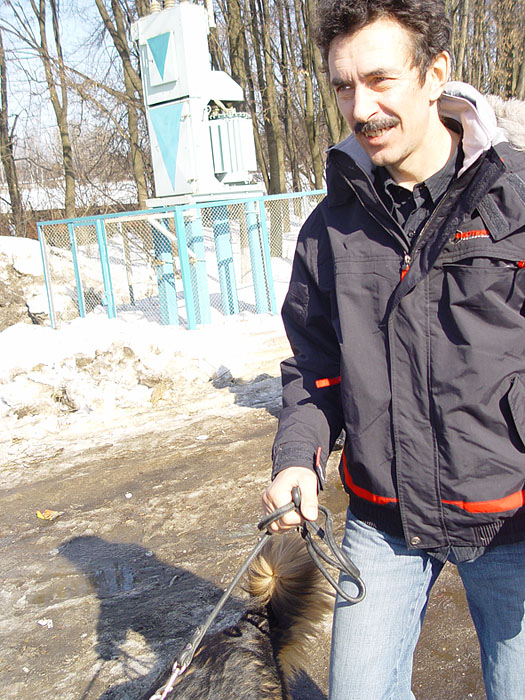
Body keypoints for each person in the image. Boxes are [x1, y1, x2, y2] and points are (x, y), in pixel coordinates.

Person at [262, 1, 525, 698]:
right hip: (384, 518)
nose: (362, 107)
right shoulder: (328, 229)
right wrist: (298, 458)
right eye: (344, 86)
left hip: (511, 517)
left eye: (380, 80)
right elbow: (314, 371)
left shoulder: (516, 199)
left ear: (434, 73)